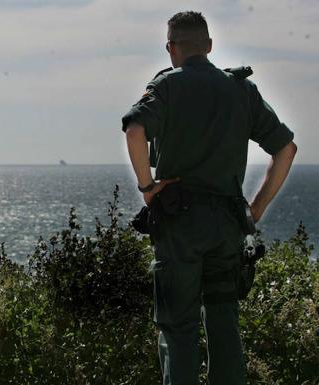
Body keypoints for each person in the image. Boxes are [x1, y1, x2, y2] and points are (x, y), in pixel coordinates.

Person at [121, 11, 297, 385]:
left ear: (171, 48)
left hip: (180, 227)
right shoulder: (241, 89)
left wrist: (147, 188)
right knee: (224, 327)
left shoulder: (167, 86)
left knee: (178, 329)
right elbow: (286, 149)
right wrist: (257, 208)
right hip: (228, 226)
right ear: (210, 47)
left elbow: (135, 130)